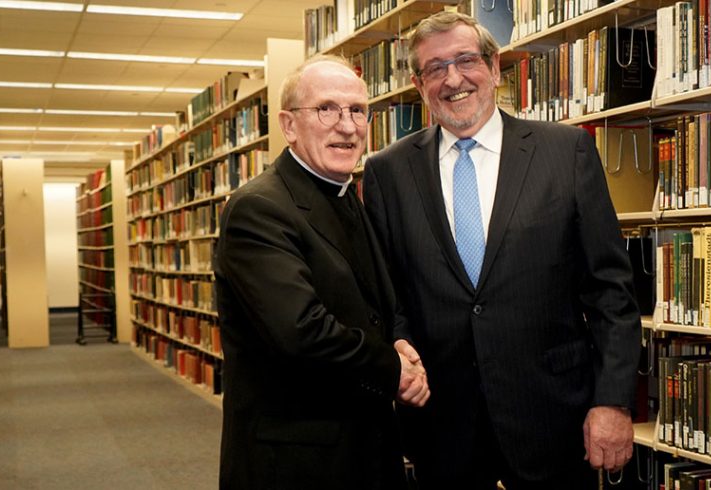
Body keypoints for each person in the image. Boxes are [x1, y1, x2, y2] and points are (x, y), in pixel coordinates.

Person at [362, 11, 642, 490]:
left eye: (466, 60)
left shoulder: (566, 152)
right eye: (435, 68)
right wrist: (400, 351)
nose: (453, 79)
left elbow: (610, 291)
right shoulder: (386, 172)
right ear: (417, 83)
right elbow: (388, 295)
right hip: (442, 427)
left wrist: (612, 402)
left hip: (553, 419)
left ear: (494, 68)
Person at [214, 54, 429, 490]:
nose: (347, 126)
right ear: (289, 125)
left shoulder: (349, 194)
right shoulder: (259, 208)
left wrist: (399, 338)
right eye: (327, 109)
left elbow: (372, 302)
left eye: (357, 111)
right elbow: (300, 331)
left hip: (363, 449)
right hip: (296, 462)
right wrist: (394, 368)